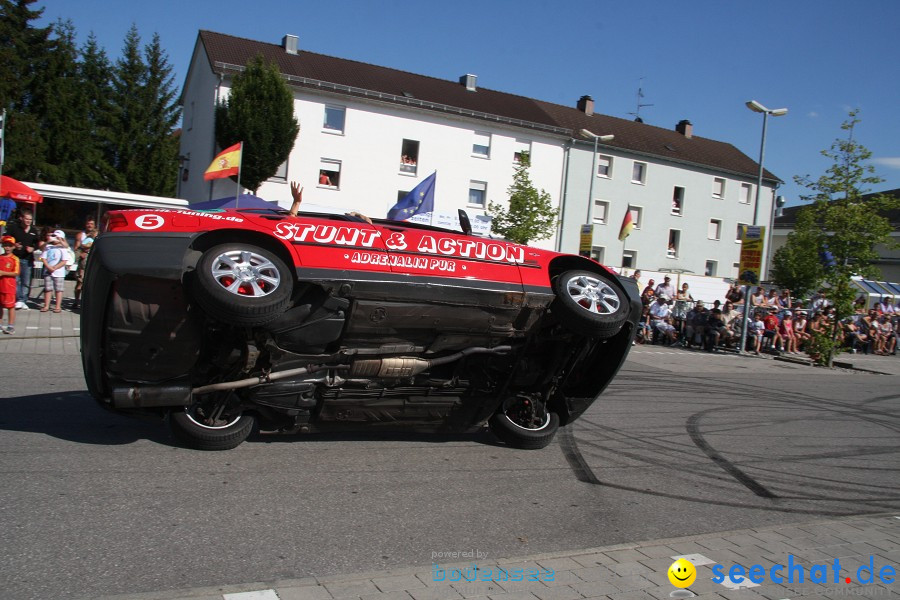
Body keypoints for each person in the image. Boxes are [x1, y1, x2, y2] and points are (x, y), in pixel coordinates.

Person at [5, 209, 40, 309]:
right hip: (15, 258)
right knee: (16, 280)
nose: (28, 221)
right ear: (22, 218)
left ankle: (23, 300)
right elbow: (5, 238)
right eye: (27, 219)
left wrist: (33, 248)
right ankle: (19, 299)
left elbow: (38, 243)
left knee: (26, 281)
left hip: (27, 259)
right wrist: (14, 245)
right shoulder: (14, 228)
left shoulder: (33, 231)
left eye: (30, 219)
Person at [72, 217, 98, 310]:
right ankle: (76, 301)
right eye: (88, 223)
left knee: (90, 284)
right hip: (83, 263)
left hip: (93, 263)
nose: (90, 225)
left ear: (94, 225)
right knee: (80, 283)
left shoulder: (98, 235)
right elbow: (76, 249)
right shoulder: (80, 235)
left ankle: (87, 303)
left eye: (91, 223)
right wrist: (80, 253)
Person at [40, 229, 68, 313]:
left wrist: (55, 267)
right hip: (48, 271)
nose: (55, 239)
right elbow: (43, 258)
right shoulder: (48, 247)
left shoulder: (63, 248)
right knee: (48, 289)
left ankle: (58, 306)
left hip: (59, 273)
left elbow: (64, 261)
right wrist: (48, 267)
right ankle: (46, 305)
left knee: (58, 290)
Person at [0, 235, 19, 334]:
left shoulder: (14, 259)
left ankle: (10, 325)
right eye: (5, 245)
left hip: (9, 287)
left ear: (13, 247)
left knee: (10, 306)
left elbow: (16, 272)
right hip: (0, 285)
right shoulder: (0, 257)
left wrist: (3, 273)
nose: (7, 247)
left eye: (9, 245)